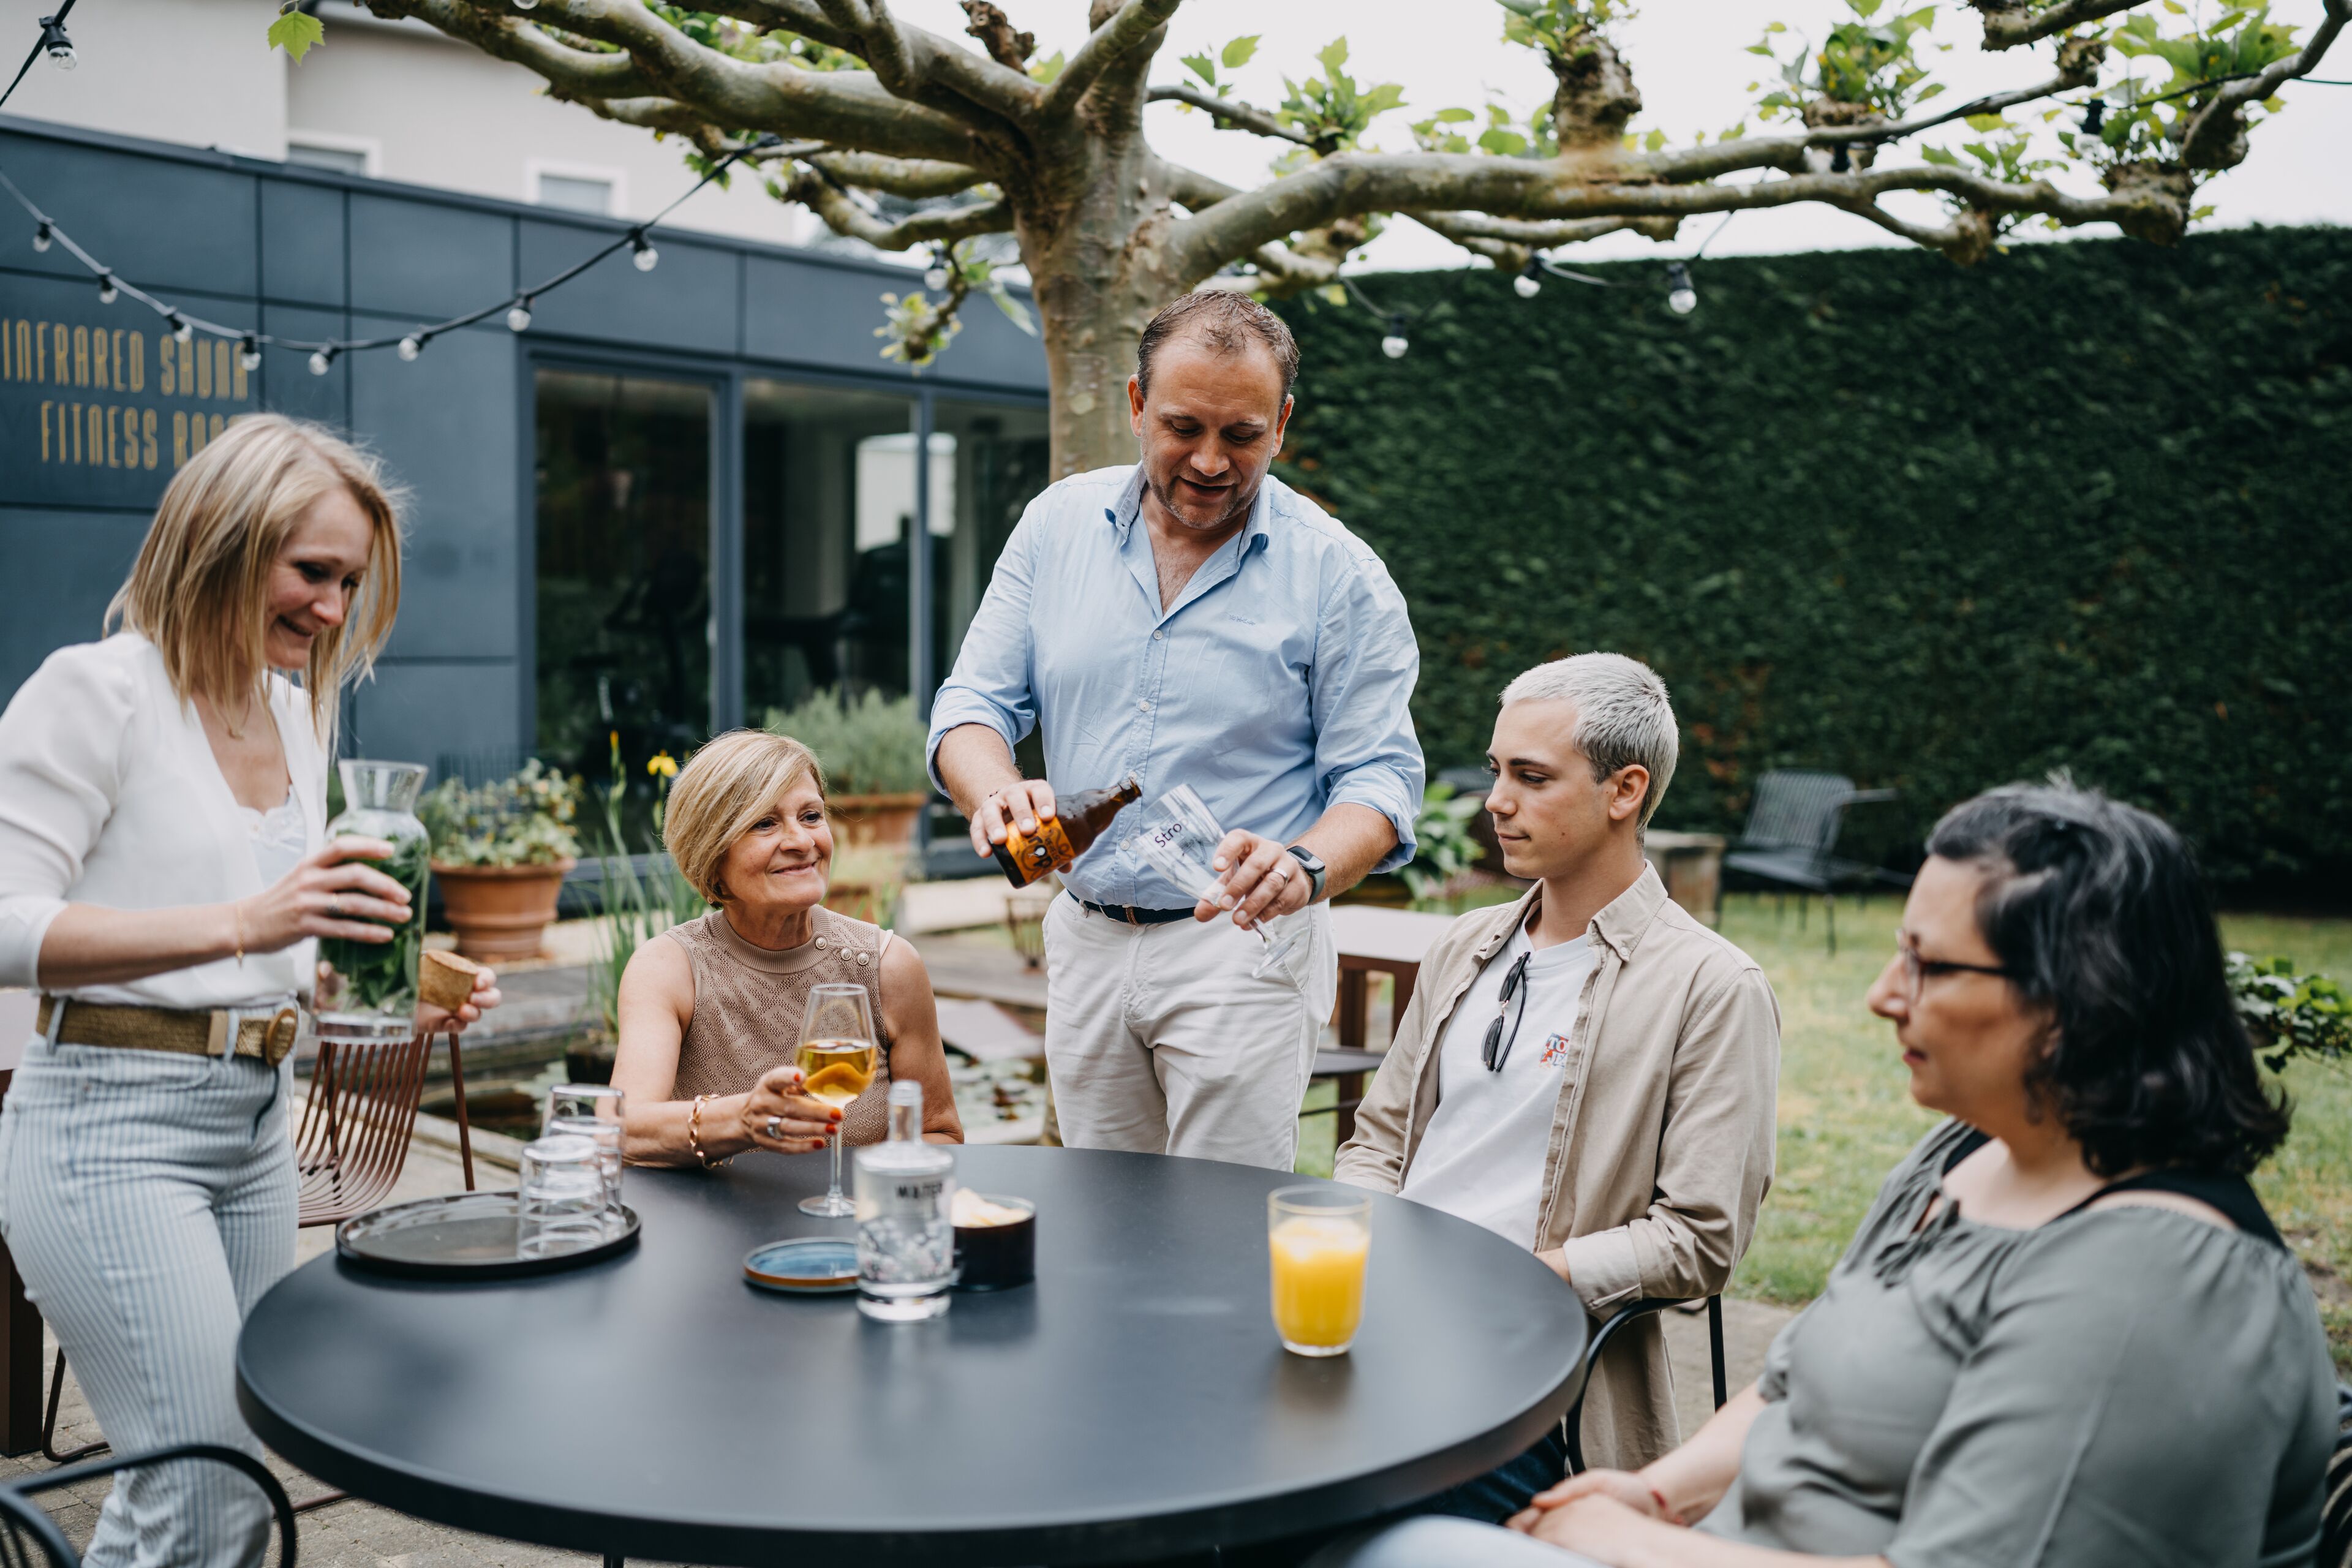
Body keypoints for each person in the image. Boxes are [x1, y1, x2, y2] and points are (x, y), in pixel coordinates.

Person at [1499, 780, 2335, 1567]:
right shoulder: (1964, 1155)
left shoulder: (2157, 1288)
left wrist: (1627, 1542)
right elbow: (1794, 1389)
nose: (1882, 993)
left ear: (2080, 999)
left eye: (1929, 966)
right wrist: (1651, 1491)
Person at [0, 415, 500, 1567]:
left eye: (351, 583)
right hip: (108, 1132)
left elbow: (279, 950)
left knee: (215, 1481)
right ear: (219, 543)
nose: (332, 611)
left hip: (256, 1123)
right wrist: (248, 923)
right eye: (311, 572)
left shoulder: (293, 709)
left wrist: (388, 991)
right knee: (207, 1487)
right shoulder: (97, 692)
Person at [928, 291, 1424, 1170]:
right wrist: (998, 792)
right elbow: (973, 707)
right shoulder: (1055, 527)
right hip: (1084, 934)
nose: (1208, 461)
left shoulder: (1340, 574)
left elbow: (1381, 781)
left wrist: (1304, 865)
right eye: (1182, 427)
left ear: (1283, 425)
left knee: (1216, 1238)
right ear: (1134, 405)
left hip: (1241, 945)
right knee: (1103, 1224)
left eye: (1240, 435)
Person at [1336, 654, 1781, 1515]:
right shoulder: (1464, 946)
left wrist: (1521, 1277)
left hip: (1525, 1380)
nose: (1496, 801)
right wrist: (1362, 1248)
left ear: (1626, 791)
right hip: (1377, 1326)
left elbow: (1701, 1237)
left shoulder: (1713, 987)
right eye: (1497, 771)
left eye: (1531, 778)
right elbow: (1378, 1142)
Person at [611, 729, 960, 1166]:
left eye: (811, 816)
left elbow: (939, 1132)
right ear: (711, 855)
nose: (801, 842)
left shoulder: (889, 966)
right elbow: (622, 1128)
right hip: (716, 1227)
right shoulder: (668, 968)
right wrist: (742, 1119)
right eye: (765, 823)